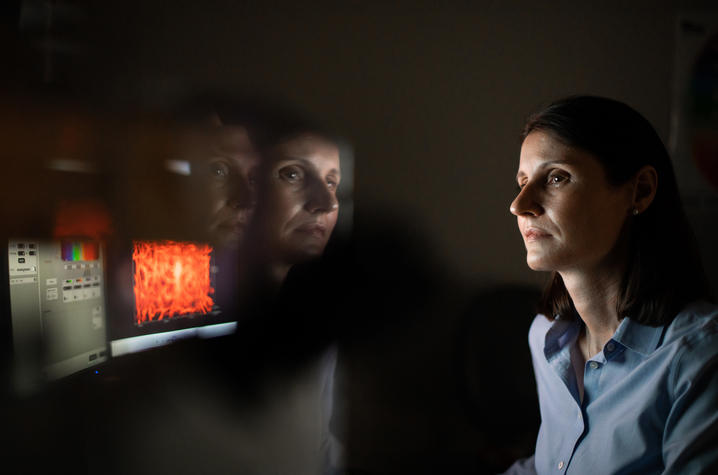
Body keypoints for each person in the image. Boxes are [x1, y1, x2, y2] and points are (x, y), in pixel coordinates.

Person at [504, 95, 718, 474]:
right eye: (522, 181)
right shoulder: (546, 339)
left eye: (556, 177)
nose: (520, 205)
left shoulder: (699, 357)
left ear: (639, 191)